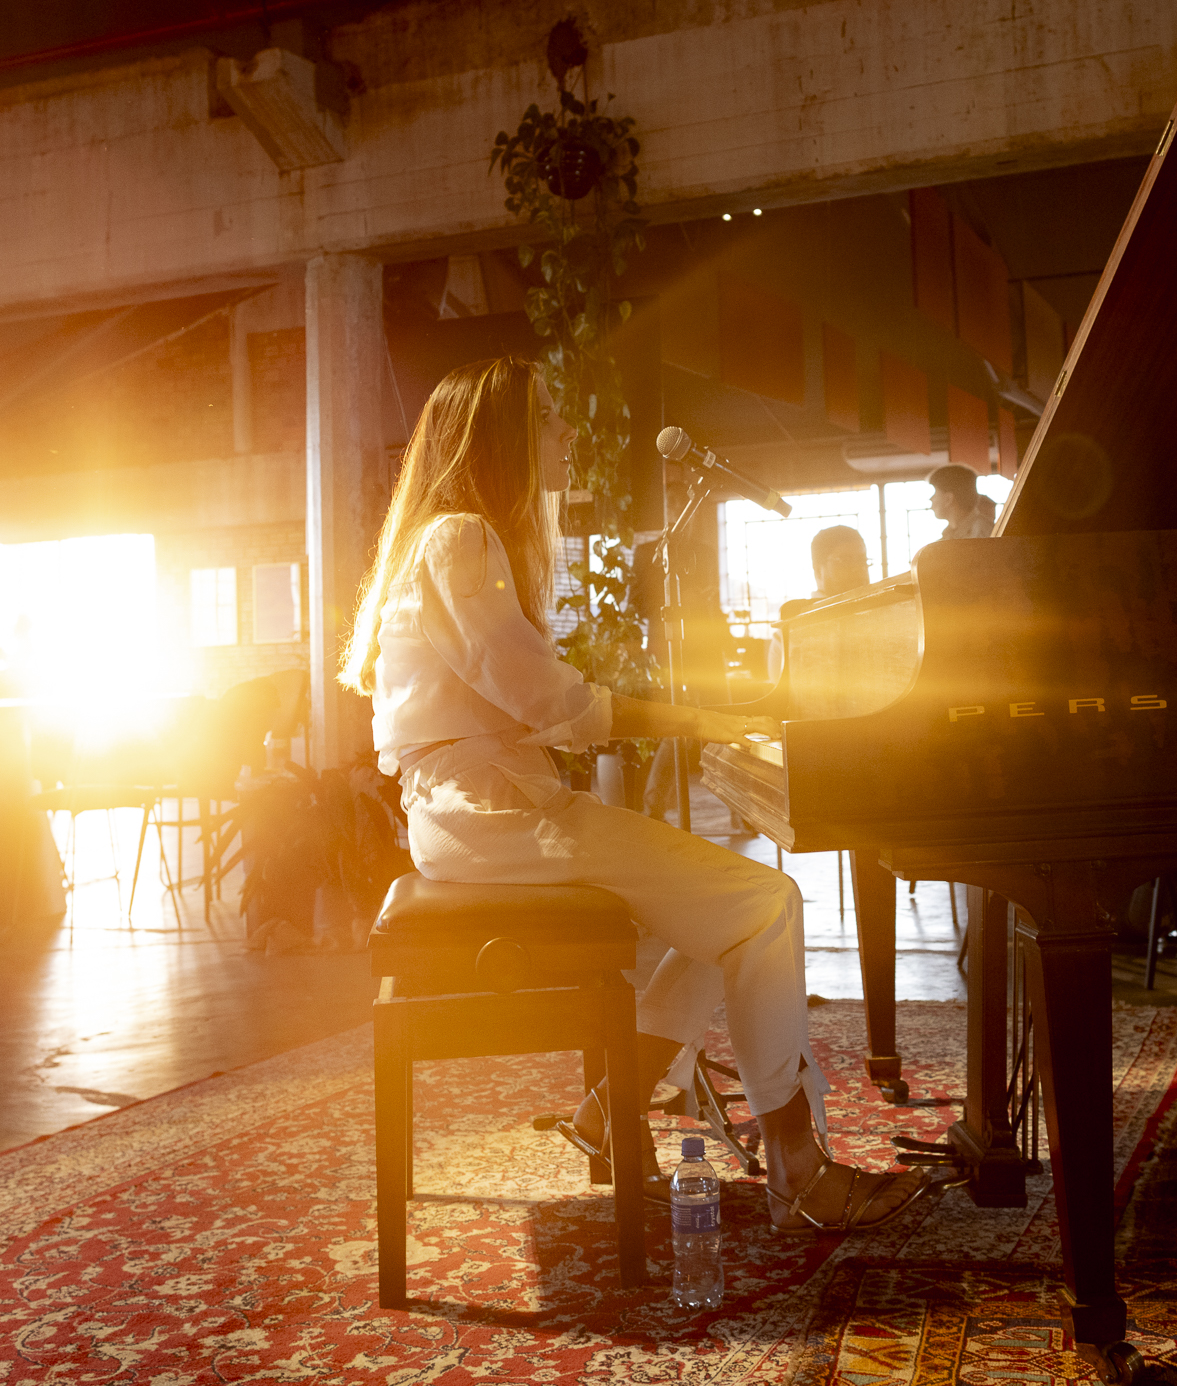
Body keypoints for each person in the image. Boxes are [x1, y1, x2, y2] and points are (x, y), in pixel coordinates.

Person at [347, 356, 922, 1231]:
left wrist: (696, 716)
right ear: (500, 434)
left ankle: (608, 1113)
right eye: (548, 414)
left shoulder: (458, 542)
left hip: (481, 809)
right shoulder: (460, 539)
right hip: (490, 815)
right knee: (768, 903)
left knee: (722, 914)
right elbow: (554, 702)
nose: (568, 431)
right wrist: (702, 718)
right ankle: (800, 1171)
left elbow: (538, 702)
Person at [767, 524, 873, 685]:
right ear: (818, 570)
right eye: (845, 561)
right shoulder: (790, 632)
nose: (858, 569)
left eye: (862, 560)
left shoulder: (882, 617)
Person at [926, 464, 996, 541]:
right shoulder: (948, 536)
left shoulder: (984, 533)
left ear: (948, 499)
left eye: (935, 493)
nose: (931, 499)